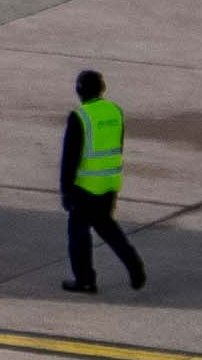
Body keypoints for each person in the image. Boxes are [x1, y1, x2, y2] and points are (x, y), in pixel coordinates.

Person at [60, 66, 146, 294]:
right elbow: (117, 145)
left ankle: (85, 280)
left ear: (79, 91)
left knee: (78, 233)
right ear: (102, 89)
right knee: (108, 228)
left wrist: (65, 191)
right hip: (109, 183)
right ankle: (134, 264)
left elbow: (70, 158)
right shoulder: (115, 111)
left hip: (85, 187)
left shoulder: (80, 117)